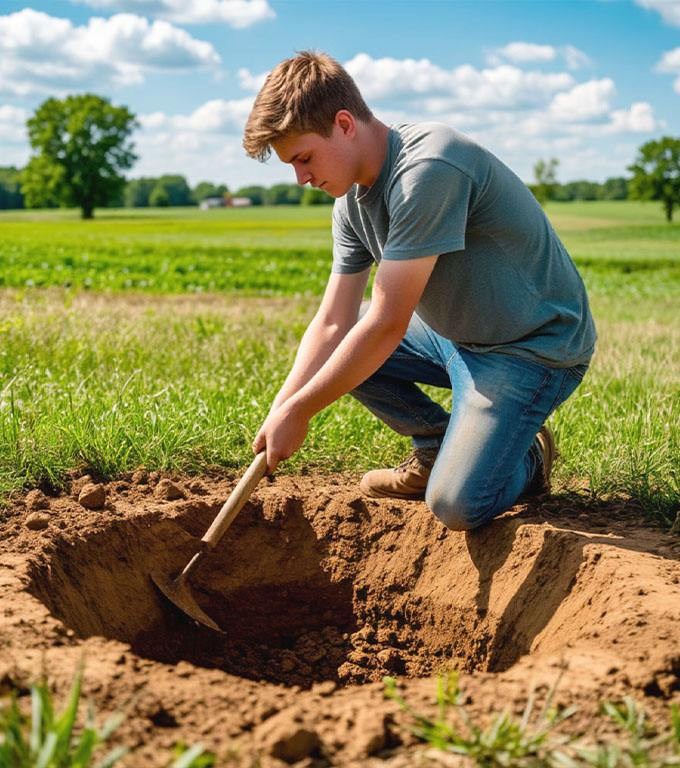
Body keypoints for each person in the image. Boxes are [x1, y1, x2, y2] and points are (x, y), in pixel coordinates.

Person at [242, 51, 596, 531]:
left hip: (530, 347)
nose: (301, 178)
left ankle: (527, 457)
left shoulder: (430, 166)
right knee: (339, 352)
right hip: (453, 334)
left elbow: (387, 323)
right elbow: (332, 321)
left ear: (344, 123)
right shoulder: (349, 200)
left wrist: (303, 410)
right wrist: (283, 408)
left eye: (303, 158)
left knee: (456, 504)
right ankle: (435, 444)